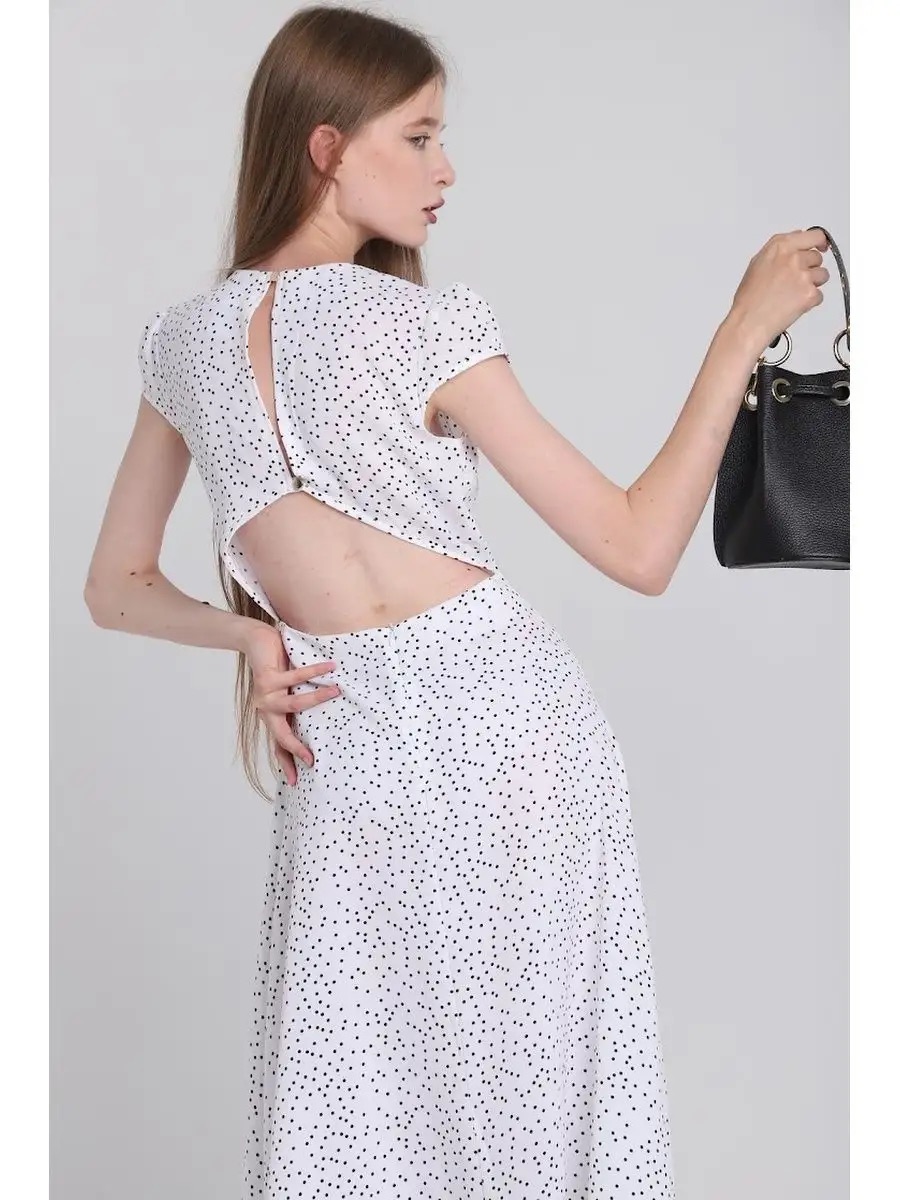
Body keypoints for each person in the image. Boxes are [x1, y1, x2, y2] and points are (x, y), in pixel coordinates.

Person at [83, 5, 830, 1197]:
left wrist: (250, 636)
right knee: (514, 1113)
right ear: (328, 148)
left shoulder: (181, 345)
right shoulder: (425, 328)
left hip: (370, 752)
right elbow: (640, 547)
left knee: (363, 1120)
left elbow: (115, 586)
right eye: (420, 137)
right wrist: (741, 330)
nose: (448, 171)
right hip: (500, 737)